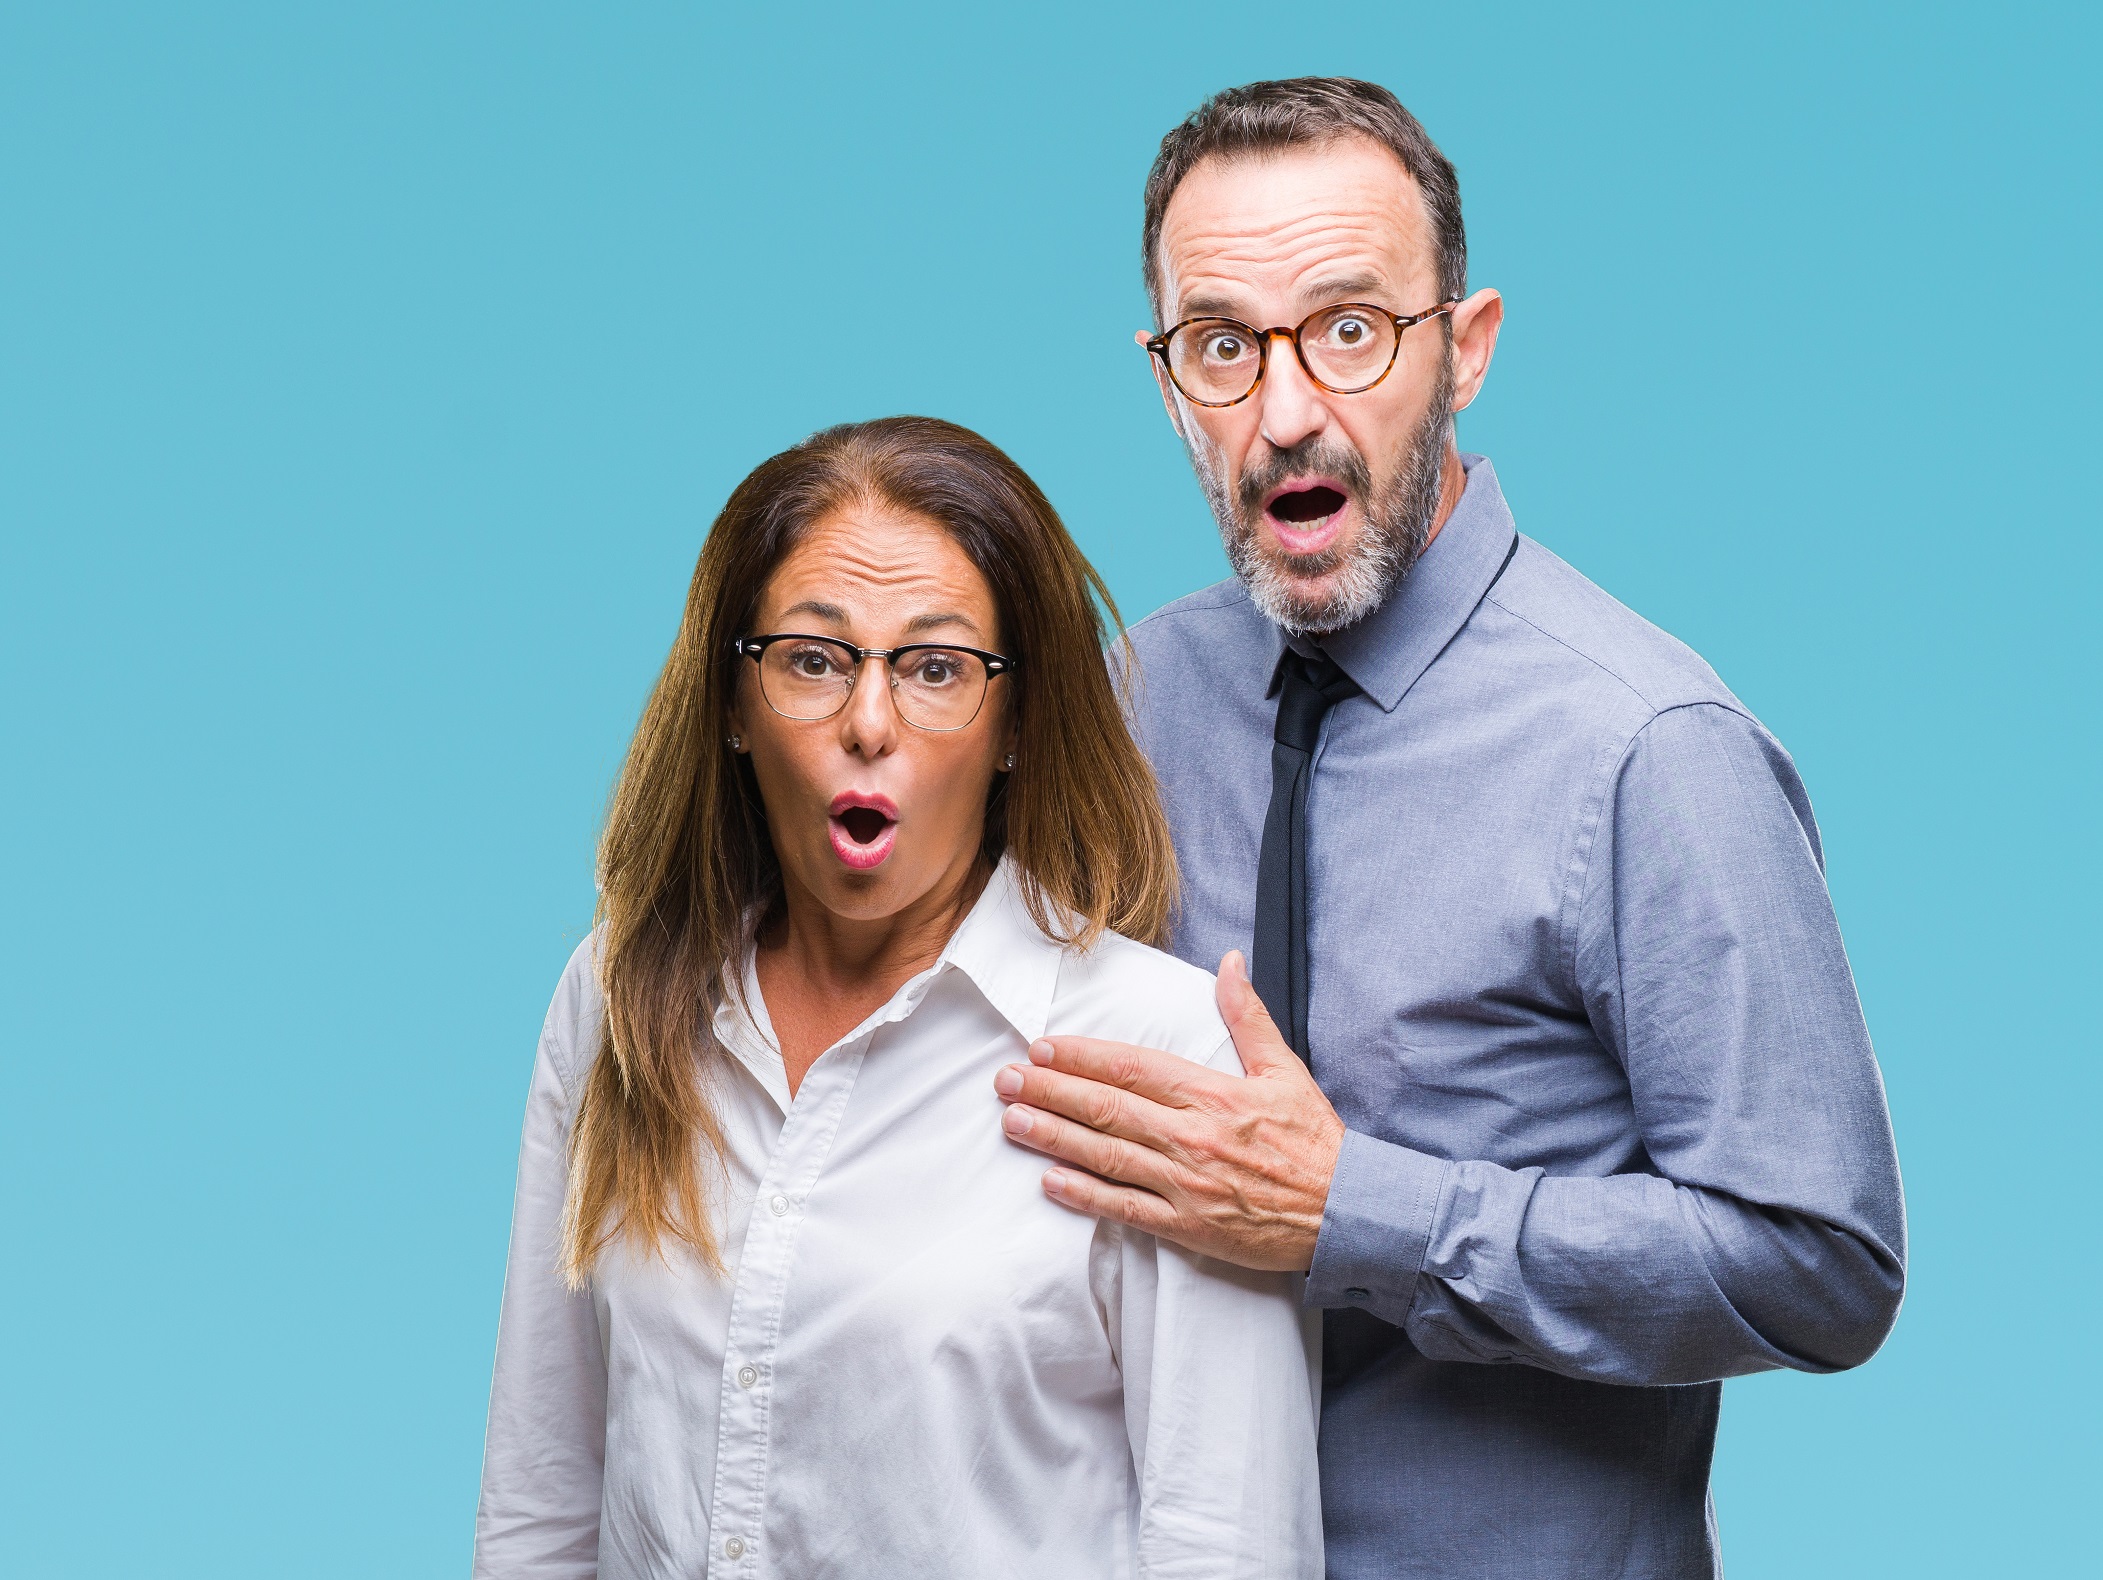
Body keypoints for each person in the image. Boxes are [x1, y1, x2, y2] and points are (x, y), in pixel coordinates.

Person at [992, 78, 1906, 1579]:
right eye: (1221, 346)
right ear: (1165, 382)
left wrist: (1352, 1210)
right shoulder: (1126, 705)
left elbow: (1822, 1264)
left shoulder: (1646, 751)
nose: (1283, 411)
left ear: (1462, 349)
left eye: (1347, 331)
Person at [472, 416, 1322, 1579]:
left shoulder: (1156, 1050)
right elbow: (542, 1507)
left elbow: (1231, 1546)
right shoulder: (620, 997)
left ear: (1016, 721)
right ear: (734, 700)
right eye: (813, 659)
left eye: (935, 668)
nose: (868, 722)